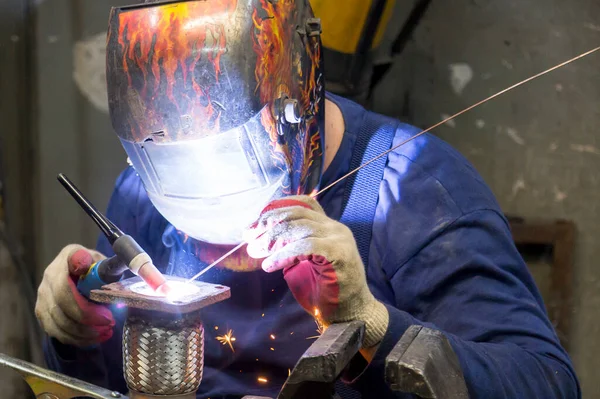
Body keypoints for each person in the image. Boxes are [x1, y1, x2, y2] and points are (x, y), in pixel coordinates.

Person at [35, 0, 580, 398]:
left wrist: (370, 323)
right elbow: (109, 382)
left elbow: (546, 383)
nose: (202, 215)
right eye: (170, 170)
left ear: (298, 100)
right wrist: (74, 330)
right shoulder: (141, 196)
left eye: (228, 160)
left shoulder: (416, 191)